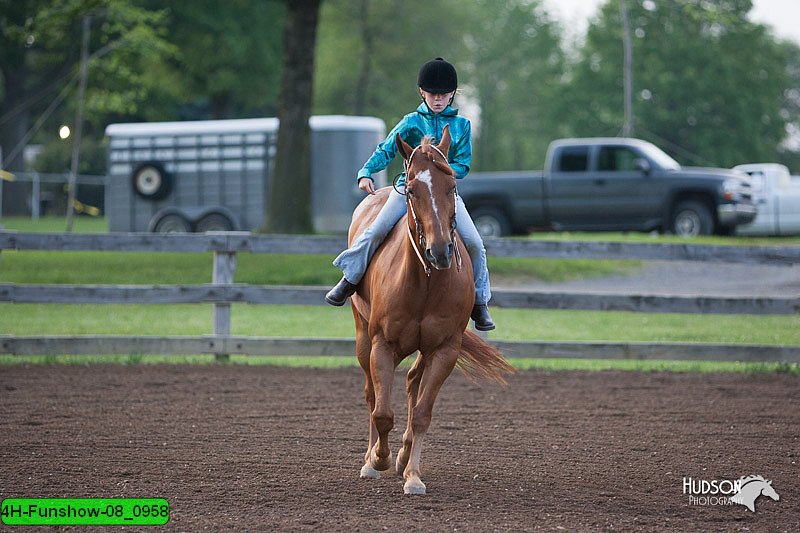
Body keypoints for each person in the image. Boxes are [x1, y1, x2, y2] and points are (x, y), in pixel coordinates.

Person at [325, 57, 495, 331]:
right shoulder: (411, 122)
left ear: (452, 94)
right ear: (422, 93)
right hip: (408, 188)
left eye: (443, 95)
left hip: (443, 193)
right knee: (376, 230)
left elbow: (463, 164)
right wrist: (366, 171)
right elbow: (387, 149)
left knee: (475, 243)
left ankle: (480, 302)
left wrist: (439, 173)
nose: (438, 99)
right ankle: (349, 279)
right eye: (432, 94)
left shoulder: (462, 126)